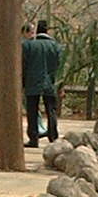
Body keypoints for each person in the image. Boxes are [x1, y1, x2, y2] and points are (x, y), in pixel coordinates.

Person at [22, 18, 64, 146]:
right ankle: (53, 137)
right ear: (47, 31)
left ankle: (33, 138)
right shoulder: (56, 46)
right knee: (51, 110)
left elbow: (23, 66)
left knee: (32, 110)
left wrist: (22, 83)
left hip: (32, 82)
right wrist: (61, 86)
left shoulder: (28, 45)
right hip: (50, 83)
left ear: (37, 31)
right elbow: (60, 68)